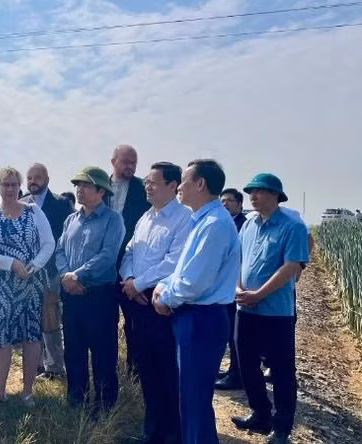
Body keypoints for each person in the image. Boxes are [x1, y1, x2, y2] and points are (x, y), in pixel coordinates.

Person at [152, 159, 241, 444]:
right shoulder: (203, 220)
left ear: (200, 184)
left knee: (194, 400)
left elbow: (194, 282)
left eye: (185, 180)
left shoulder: (214, 225)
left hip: (201, 319)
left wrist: (164, 297)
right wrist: (164, 286)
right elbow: (183, 270)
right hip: (195, 318)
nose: (179, 186)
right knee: (192, 400)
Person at [232, 173, 309, 444]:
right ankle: (260, 413)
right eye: (251, 191)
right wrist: (240, 289)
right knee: (246, 363)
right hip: (246, 310)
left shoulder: (292, 226)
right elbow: (240, 258)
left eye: (260, 191)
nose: (253, 196)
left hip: (276, 312)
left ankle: (282, 427)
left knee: (281, 370)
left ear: (275, 195)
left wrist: (259, 294)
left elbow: (291, 267)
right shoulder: (249, 225)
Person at [119, 162, 192, 444]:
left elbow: (173, 262)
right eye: (146, 182)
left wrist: (138, 284)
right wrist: (129, 280)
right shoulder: (146, 217)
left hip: (162, 304)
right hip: (136, 300)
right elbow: (129, 251)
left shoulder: (185, 218)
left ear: (173, 186)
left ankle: (173, 434)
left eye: (154, 182)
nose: (147, 187)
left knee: (167, 372)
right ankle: (152, 432)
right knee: (146, 370)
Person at [0, 167, 55, 414]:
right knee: (1, 340)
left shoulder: (33, 211)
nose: (9, 189)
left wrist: (33, 266)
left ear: (18, 187)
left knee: (31, 338)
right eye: (5, 184)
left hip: (30, 284)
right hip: (0, 286)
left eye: (13, 184)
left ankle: (27, 393)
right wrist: (11, 264)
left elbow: (49, 243)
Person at [56, 166, 125, 415]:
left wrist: (78, 275)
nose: (79, 190)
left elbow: (108, 256)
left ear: (100, 191)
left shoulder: (113, 220)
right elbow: (60, 250)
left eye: (85, 186)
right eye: (77, 185)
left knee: (103, 352)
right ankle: (77, 399)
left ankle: (105, 406)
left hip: (100, 296)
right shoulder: (71, 219)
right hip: (72, 296)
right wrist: (66, 276)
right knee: (73, 350)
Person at [20, 163, 74, 380]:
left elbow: (66, 238)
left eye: (38, 177)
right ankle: (37, 364)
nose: (33, 181)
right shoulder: (20, 203)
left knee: (50, 318)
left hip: (51, 270)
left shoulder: (61, 204)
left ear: (47, 180)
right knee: (31, 318)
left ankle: (55, 367)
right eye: (30, 177)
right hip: (26, 271)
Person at [108, 144, 150, 374]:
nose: (130, 166)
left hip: (132, 266)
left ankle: (134, 369)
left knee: (134, 320)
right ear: (113, 161)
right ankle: (108, 367)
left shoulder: (143, 189)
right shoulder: (99, 187)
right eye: (126, 162)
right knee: (107, 320)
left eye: (134, 162)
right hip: (104, 267)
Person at [216, 187, 247, 391]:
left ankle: (237, 374)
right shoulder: (223, 222)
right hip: (223, 287)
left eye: (229, 200)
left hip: (235, 286)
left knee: (235, 335)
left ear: (240, 204)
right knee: (226, 332)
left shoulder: (243, 224)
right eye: (223, 200)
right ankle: (232, 371)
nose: (225, 204)